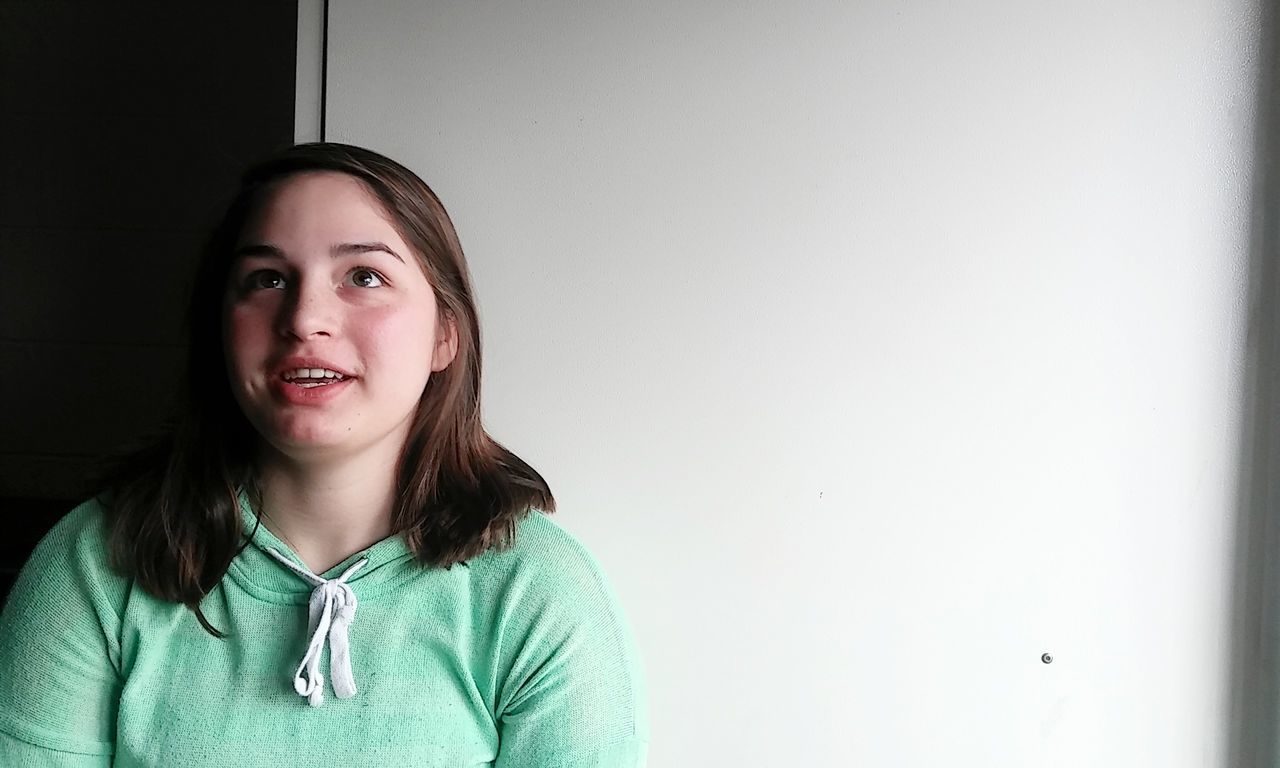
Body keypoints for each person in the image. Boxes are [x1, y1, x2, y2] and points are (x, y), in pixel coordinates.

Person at [0, 143, 648, 767]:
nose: (305, 317)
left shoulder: (540, 594)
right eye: (267, 279)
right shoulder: (92, 565)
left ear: (444, 335)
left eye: (364, 276)